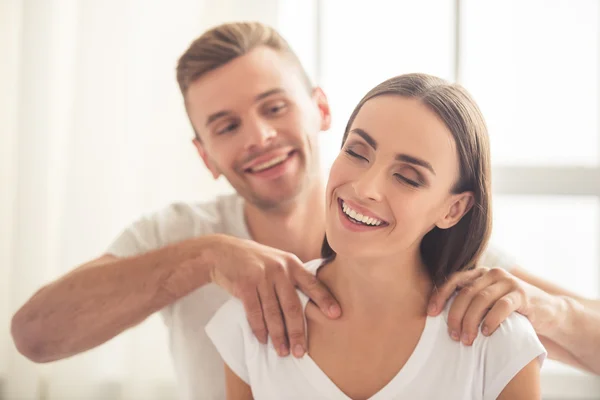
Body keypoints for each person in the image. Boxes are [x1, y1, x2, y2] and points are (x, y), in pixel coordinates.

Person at [10, 22, 600, 400]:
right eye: (226, 126)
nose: (260, 136)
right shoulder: (180, 238)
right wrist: (206, 259)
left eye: (274, 106)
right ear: (205, 155)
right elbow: (35, 336)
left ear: (320, 109)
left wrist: (545, 310)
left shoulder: (432, 247)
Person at [206, 72, 547, 400]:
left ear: (453, 209)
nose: (365, 187)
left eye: (408, 177)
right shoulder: (251, 325)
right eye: (356, 152)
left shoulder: (500, 343)